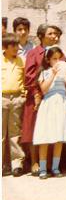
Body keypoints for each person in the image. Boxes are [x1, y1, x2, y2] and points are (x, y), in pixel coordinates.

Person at [22, 24, 62, 176]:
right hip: (37, 96)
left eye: (55, 34)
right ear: (41, 36)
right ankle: (35, 161)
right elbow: (29, 75)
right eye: (50, 33)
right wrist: (37, 93)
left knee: (52, 127)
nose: (54, 36)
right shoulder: (34, 53)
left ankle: (52, 162)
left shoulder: (59, 53)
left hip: (55, 96)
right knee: (35, 128)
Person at [32, 47, 66, 179]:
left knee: (59, 137)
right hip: (49, 104)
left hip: (61, 103)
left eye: (59, 58)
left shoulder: (65, 72)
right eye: (54, 59)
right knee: (45, 137)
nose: (57, 61)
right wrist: (53, 74)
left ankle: (55, 167)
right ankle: (43, 169)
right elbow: (44, 89)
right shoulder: (44, 73)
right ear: (48, 60)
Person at [2, 33, 26, 177]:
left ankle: (16, 164)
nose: (17, 48)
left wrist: (23, 94)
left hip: (16, 98)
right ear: (5, 47)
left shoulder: (21, 61)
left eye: (18, 45)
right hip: (2, 97)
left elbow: (23, 79)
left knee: (15, 133)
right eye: (14, 46)